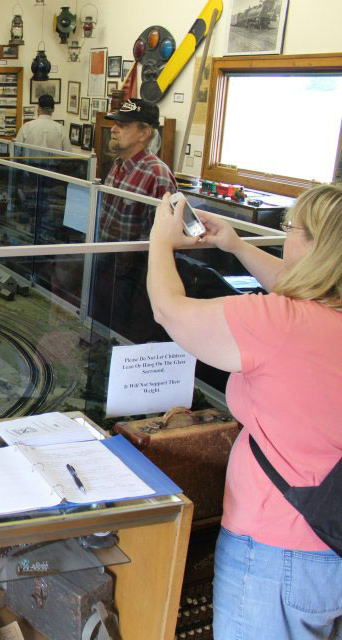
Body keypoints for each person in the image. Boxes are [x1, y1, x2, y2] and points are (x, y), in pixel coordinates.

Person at [146, 185, 342, 640]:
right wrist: (234, 245)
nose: (286, 236)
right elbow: (304, 285)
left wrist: (160, 241)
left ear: (315, 244)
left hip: (276, 549)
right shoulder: (321, 315)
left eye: (290, 228)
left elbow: (169, 311)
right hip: (331, 543)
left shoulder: (279, 322)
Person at [99, 98, 177, 242]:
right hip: (104, 254)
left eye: (123, 125)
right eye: (115, 123)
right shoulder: (118, 164)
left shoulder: (157, 175)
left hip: (133, 257)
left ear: (144, 133)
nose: (113, 129)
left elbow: (167, 239)